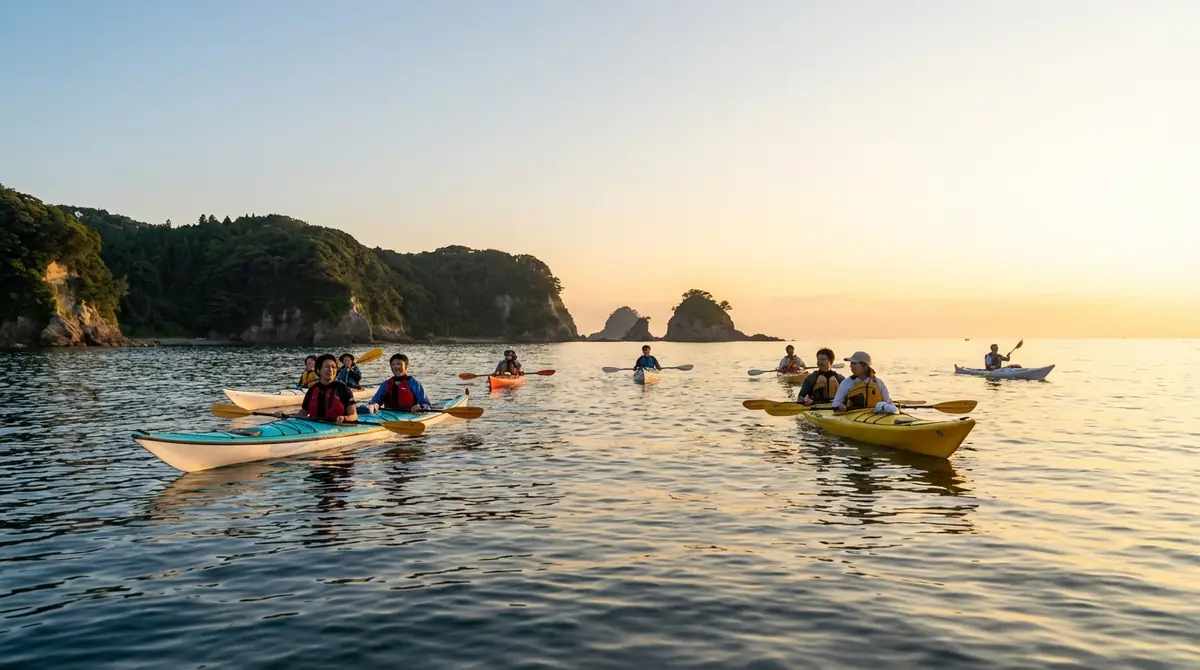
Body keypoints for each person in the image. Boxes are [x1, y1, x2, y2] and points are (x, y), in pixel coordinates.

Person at [280, 353, 358, 423]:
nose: (330, 369)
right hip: (314, 426)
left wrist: (344, 418)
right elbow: (304, 412)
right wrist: (286, 416)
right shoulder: (313, 390)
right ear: (318, 370)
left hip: (337, 427)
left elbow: (353, 415)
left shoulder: (343, 389)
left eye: (333, 367)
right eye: (327, 367)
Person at [365, 353, 433, 413]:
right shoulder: (386, 384)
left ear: (406, 366)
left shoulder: (414, 383)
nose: (396, 367)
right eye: (393, 365)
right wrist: (373, 405)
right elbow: (374, 401)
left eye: (399, 364)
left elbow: (427, 404)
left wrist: (420, 407)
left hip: (410, 415)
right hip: (388, 415)